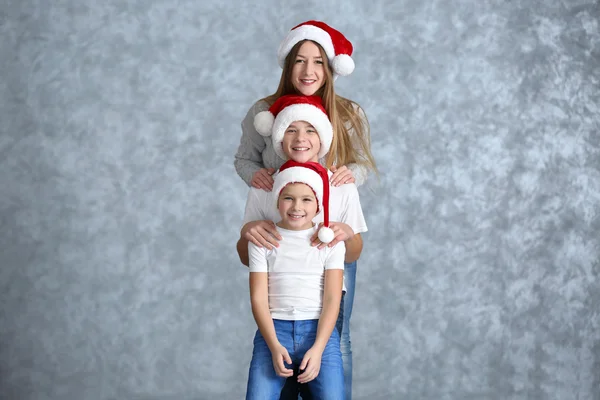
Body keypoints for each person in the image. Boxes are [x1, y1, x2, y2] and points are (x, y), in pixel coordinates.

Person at [237, 94, 367, 400]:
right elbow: (250, 268)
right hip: (276, 317)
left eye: (310, 130)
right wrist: (248, 231)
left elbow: (350, 259)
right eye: (292, 130)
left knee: (335, 351)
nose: (301, 139)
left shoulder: (339, 185)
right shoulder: (266, 184)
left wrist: (346, 233)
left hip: (319, 314)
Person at [245, 159, 345, 400]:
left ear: (318, 205)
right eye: (288, 197)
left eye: (306, 199)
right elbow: (258, 298)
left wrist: (319, 347)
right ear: (277, 201)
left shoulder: (329, 242)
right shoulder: (263, 240)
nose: (296, 206)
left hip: (318, 331)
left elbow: (332, 298)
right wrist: (273, 345)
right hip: (274, 330)